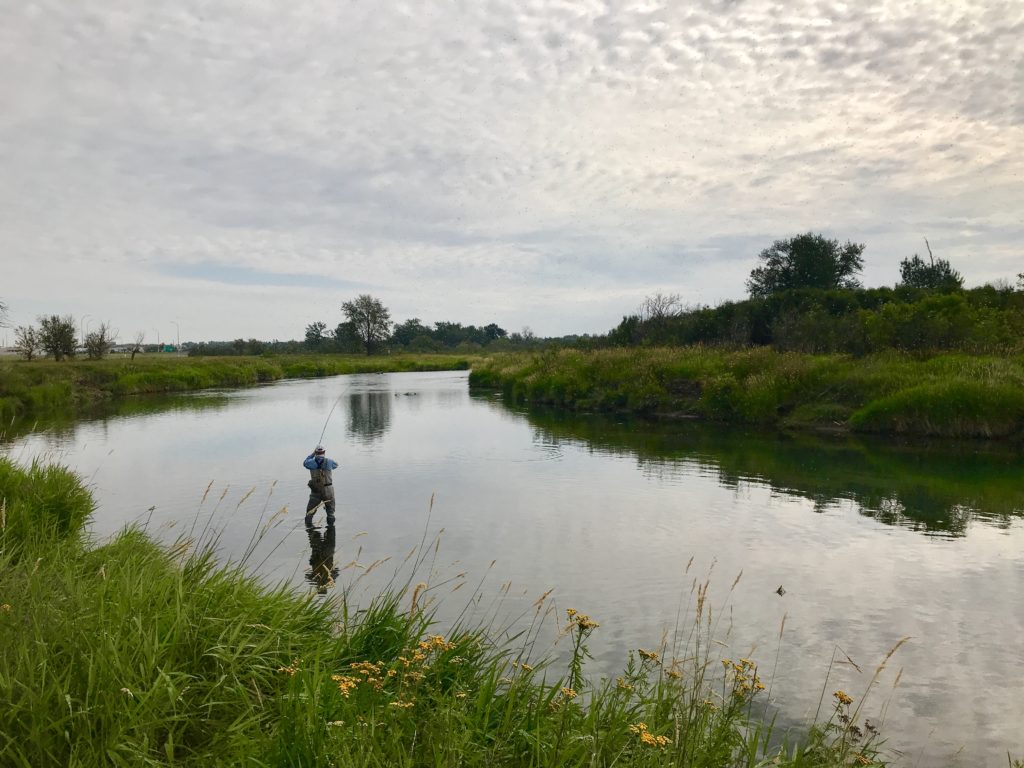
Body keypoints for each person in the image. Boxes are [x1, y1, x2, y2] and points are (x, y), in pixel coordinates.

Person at [303, 445, 338, 525]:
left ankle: (310, 531)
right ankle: (330, 530)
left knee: (309, 513)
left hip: (316, 490)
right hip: (328, 490)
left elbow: (304, 463)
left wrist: (312, 454)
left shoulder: (310, 463)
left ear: (316, 453)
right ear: (324, 452)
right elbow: (336, 465)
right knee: (330, 513)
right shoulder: (329, 461)